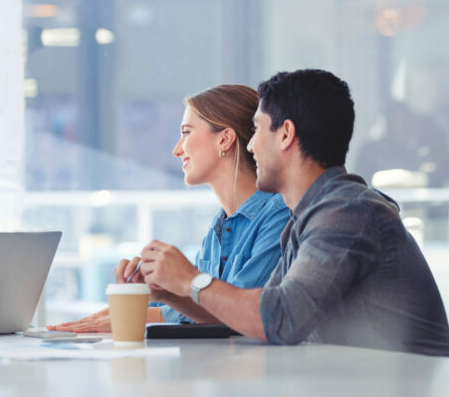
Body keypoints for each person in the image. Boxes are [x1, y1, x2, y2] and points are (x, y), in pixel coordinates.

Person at [137, 69, 449, 357]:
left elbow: (281, 318)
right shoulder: (310, 218)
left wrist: (192, 279)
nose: (250, 147)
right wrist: (174, 290)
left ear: (286, 134)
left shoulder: (347, 212)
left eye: (258, 130)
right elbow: (258, 310)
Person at [49, 85, 290, 333]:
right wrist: (160, 292)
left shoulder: (279, 215)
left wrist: (151, 308)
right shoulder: (219, 228)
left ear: (224, 139)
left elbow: (240, 315)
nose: (177, 150)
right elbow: (209, 309)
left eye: (186, 133)